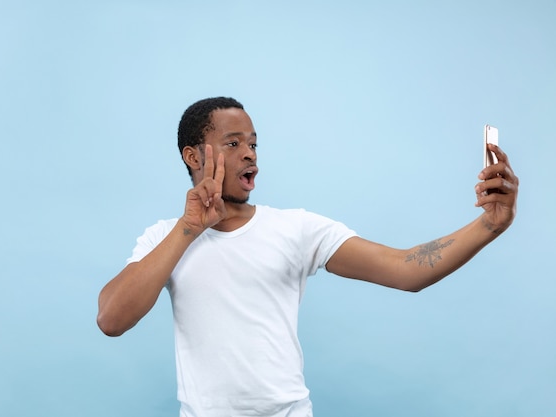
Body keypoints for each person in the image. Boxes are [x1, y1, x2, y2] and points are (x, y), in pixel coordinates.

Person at [97, 97, 518, 417]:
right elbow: (111, 319)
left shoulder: (295, 229)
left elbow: (406, 269)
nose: (250, 153)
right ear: (193, 156)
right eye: (233, 143)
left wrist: (488, 226)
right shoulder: (164, 237)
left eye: (254, 143)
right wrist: (188, 229)